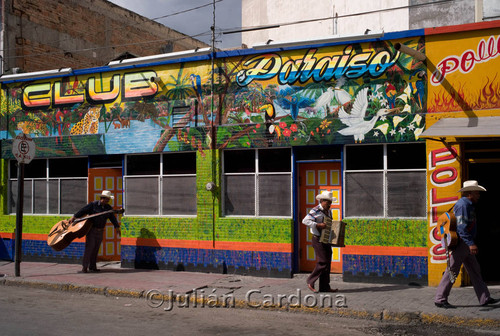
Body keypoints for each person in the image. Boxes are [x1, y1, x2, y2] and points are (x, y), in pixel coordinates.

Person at [434, 180, 499, 308]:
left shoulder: (468, 204)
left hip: (466, 243)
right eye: (477, 193)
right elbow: (462, 228)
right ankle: (440, 299)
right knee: (452, 270)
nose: (479, 195)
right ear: (470, 193)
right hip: (463, 243)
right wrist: (470, 244)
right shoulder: (463, 205)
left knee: (475, 270)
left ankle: (484, 298)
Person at [70, 190, 121, 273]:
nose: (107, 201)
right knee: (89, 249)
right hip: (92, 230)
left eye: (108, 199)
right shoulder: (93, 205)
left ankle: (93, 266)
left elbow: (112, 218)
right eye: (106, 199)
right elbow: (83, 210)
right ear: (102, 198)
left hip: (100, 231)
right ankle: (85, 267)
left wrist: (117, 227)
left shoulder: (108, 208)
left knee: (96, 249)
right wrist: (74, 216)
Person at [302, 190, 338, 293]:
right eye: (328, 202)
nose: (330, 204)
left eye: (330, 202)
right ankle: (310, 281)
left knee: (327, 264)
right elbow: (305, 221)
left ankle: (324, 287)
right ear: (322, 201)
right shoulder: (315, 210)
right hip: (317, 239)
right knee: (323, 261)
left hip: (326, 239)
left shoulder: (329, 211)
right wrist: (317, 225)